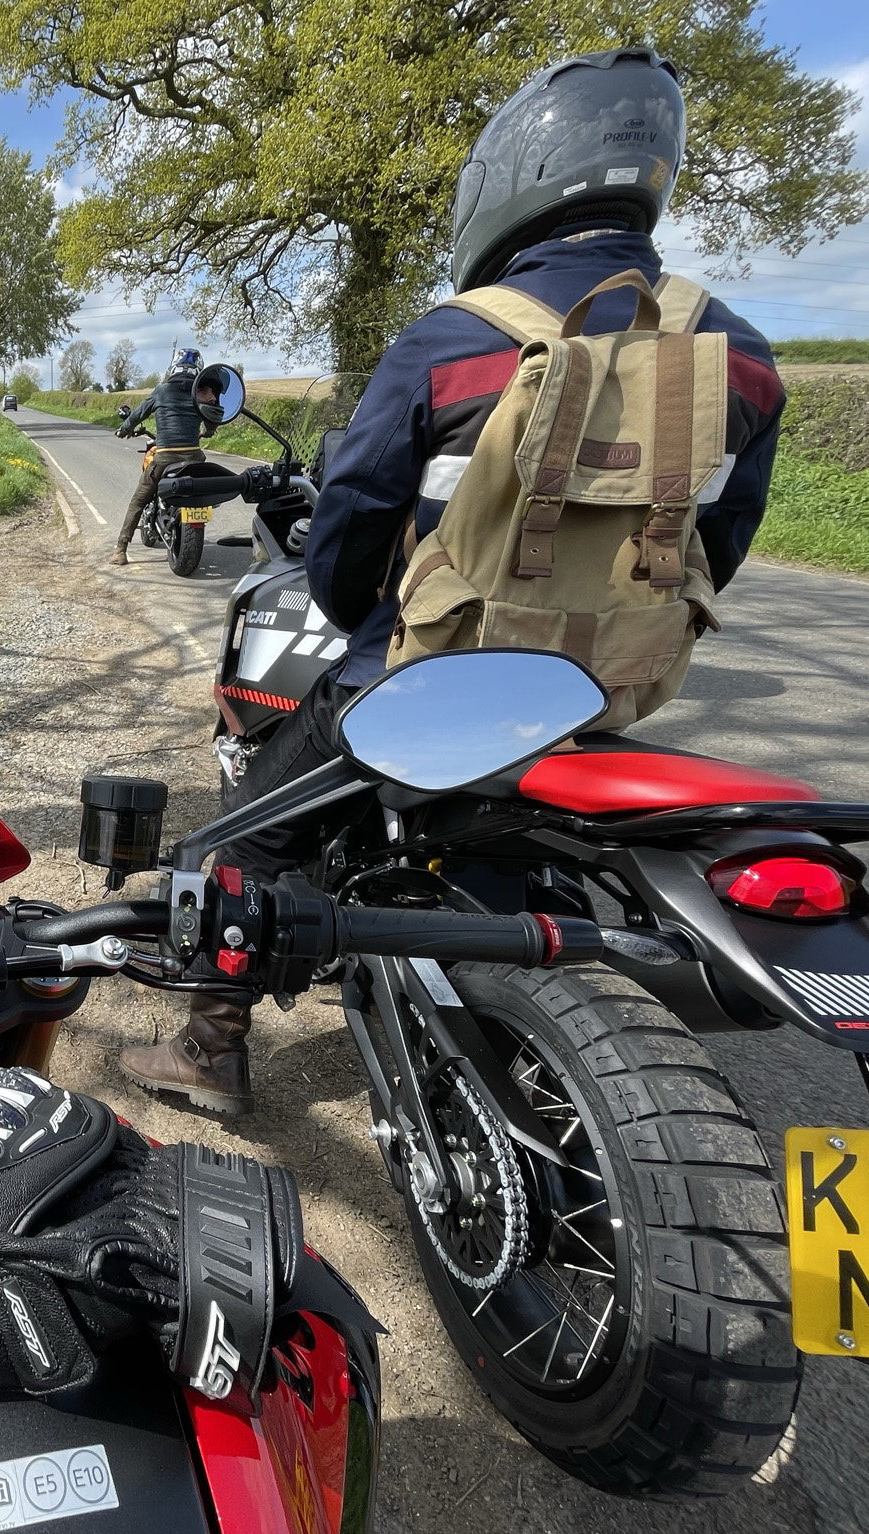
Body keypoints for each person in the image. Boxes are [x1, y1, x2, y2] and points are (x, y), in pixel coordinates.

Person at [121, 46, 786, 1115]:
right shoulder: (736, 353)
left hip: (429, 684)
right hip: (599, 694)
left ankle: (207, 1050)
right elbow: (724, 537)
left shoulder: (453, 342)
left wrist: (359, 620)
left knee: (228, 839)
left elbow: (347, 534)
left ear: (514, 179)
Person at [110, 348, 214, 566]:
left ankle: (120, 549)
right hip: (195, 458)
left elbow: (137, 414)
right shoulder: (202, 391)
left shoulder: (162, 390)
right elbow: (212, 419)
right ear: (199, 369)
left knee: (138, 500)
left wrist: (124, 429)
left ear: (174, 367)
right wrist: (209, 431)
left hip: (165, 458)